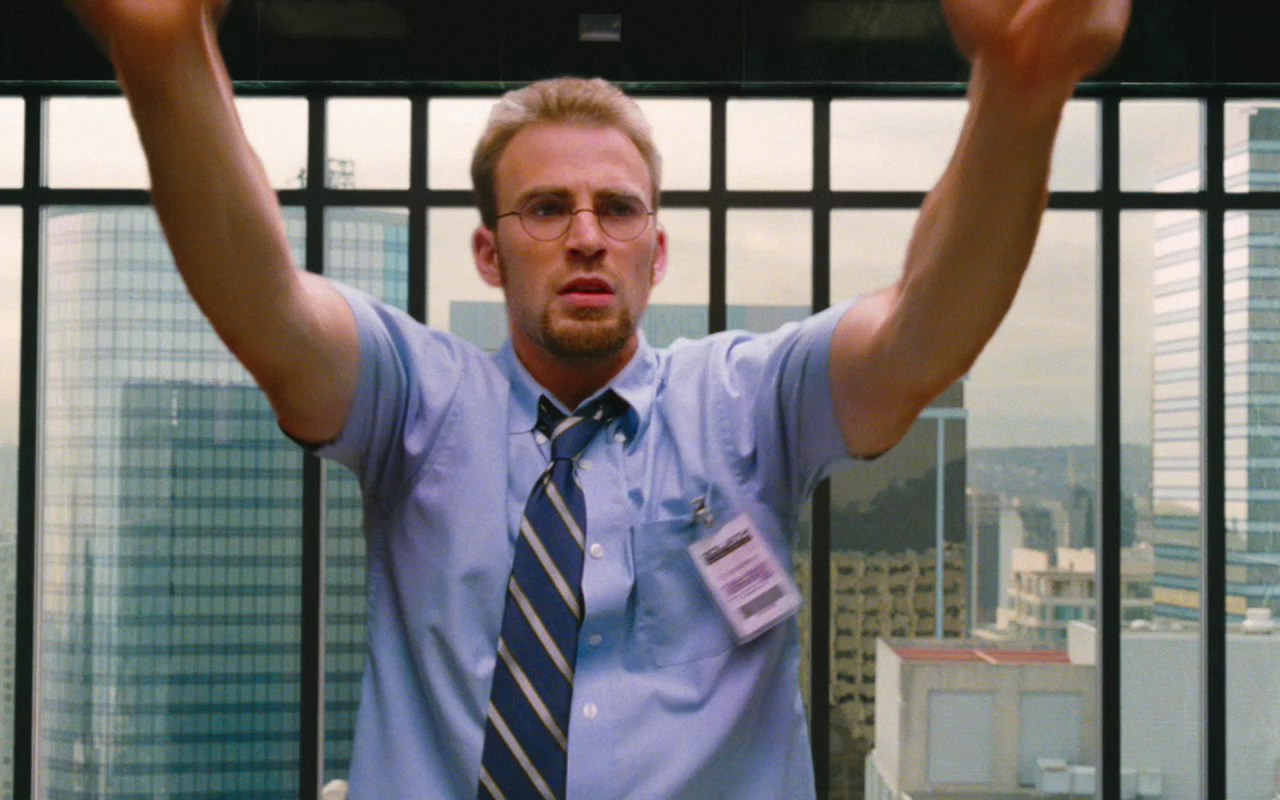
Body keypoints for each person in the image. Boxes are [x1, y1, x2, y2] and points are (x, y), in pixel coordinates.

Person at [68, 1, 1130, 798]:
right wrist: (165, 60)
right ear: (488, 253)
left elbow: (918, 332)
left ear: (655, 252)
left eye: (617, 209)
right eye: (545, 208)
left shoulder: (746, 405)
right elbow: (267, 307)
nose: (585, 235)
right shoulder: (417, 403)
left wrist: (1020, 89)